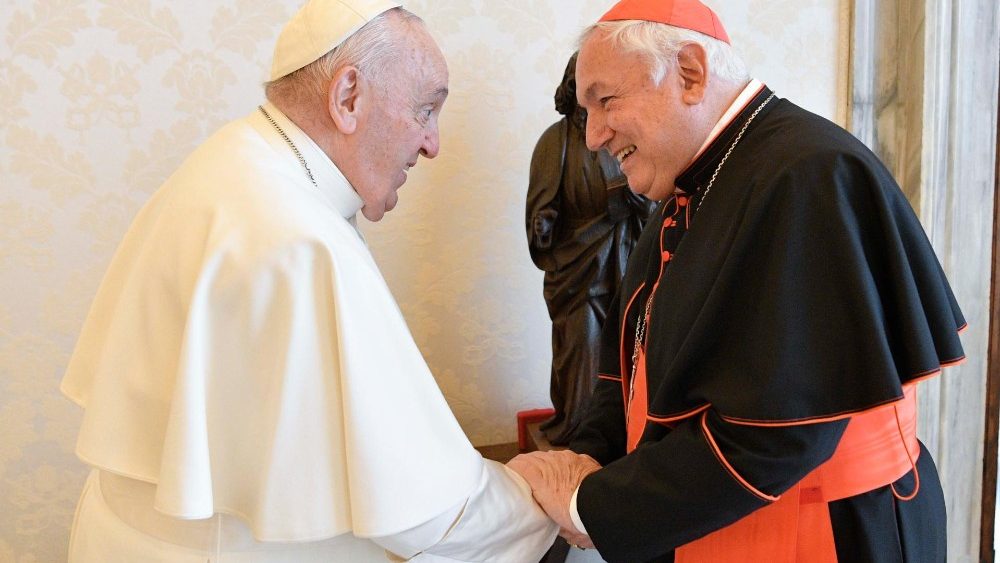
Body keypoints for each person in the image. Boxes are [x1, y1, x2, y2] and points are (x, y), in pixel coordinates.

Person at [61, 2, 557, 561]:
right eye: (425, 110)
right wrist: (535, 496)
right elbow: (434, 518)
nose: (432, 144)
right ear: (348, 97)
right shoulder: (299, 240)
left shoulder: (235, 160)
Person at [507, 0, 967, 561]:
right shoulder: (686, 189)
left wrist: (593, 505)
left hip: (821, 531)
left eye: (606, 101)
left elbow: (776, 435)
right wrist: (588, 456)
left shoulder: (808, 175)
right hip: (716, 516)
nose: (594, 137)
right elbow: (631, 362)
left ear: (690, 73)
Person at [527, 52, 656, 446]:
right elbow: (542, 206)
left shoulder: (630, 136)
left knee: (628, 345)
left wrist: (635, 201)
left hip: (624, 257)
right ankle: (582, 438)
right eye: (585, 95)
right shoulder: (556, 142)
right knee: (582, 347)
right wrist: (542, 223)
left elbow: (654, 206)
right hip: (577, 267)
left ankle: (624, 433)